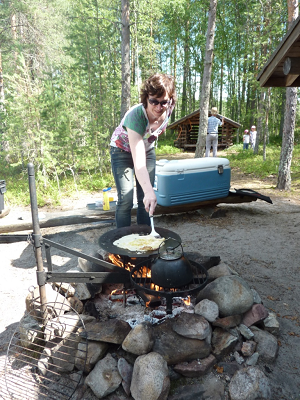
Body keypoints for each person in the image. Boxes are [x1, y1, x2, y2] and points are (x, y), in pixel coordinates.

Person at [110, 73, 177, 228]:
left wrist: (148, 193)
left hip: (147, 149)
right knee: (126, 198)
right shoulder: (136, 117)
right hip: (121, 151)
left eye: (164, 102)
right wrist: (149, 191)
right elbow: (139, 164)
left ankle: (145, 238)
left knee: (144, 199)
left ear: (170, 100)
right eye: (154, 101)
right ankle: (122, 242)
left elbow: (143, 155)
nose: (159, 107)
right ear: (146, 97)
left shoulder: (169, 106)